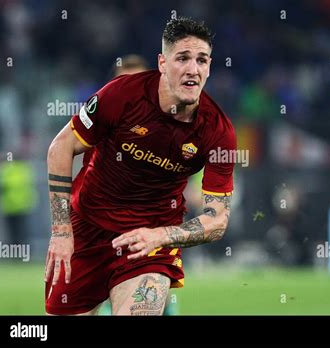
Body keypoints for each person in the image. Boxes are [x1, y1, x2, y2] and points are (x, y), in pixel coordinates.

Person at [45, 17, 235, 315]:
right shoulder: (120, 95)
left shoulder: (218, 132)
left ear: (209, 67)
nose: (193, 69)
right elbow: (61, 147)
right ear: (162, 62)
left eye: (202, 60)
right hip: (88, 228)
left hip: (149, 241)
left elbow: (217, 220)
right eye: (182, 58)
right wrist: (61, 231)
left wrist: (161, 235)